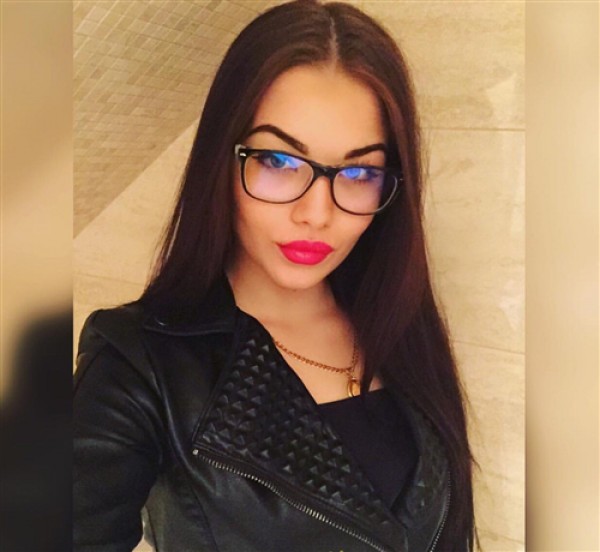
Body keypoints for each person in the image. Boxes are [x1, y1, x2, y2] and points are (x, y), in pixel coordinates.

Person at [74, 1, 476, 550]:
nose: (317, 213)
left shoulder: (399, 324)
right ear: (223, 159)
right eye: (280, 162)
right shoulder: (141, 364)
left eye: (359, 172)